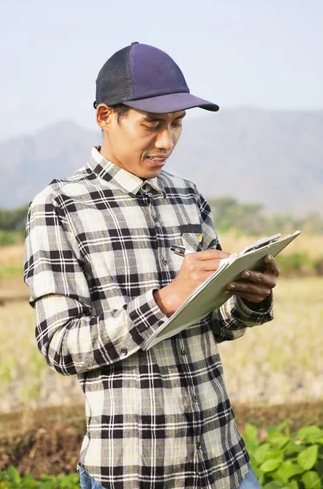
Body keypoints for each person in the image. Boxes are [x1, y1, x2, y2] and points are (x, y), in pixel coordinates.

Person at [23, 42, 279, 489]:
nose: (167, 141)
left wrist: (249, 298)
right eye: (152, 124)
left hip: (226, 466)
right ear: (106, 116)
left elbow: (215, 326)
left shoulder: (188, 196)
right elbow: (60, 346)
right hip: (134, 473)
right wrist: (164, 300)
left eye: (178, 124)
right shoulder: (59, 206)